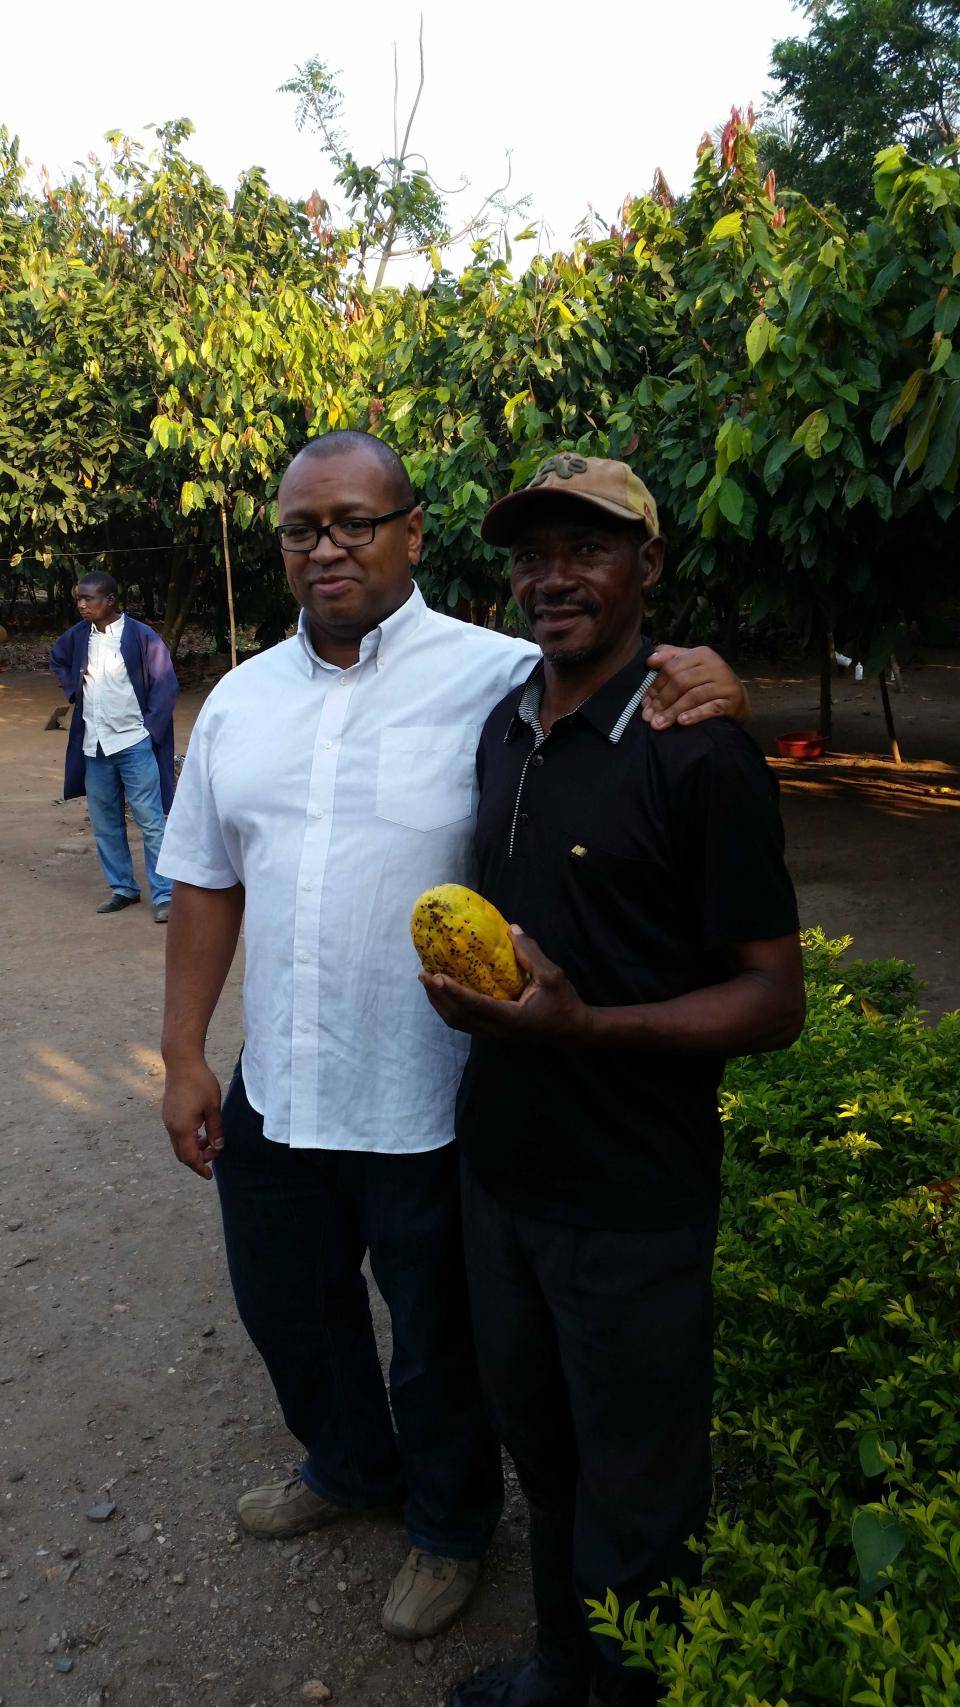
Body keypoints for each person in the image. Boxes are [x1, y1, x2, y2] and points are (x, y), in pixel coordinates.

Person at [157, 431, 749, 1643]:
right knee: (290, 1308)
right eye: (302, 528)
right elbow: (208, 880)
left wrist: (709, 674)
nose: (327, 547)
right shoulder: (241, 703)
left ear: (410, 534)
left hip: (428, 1090)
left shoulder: (496, 672)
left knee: (438, 1339)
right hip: (281, 1081)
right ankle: (344, 1467)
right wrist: (182, 1054)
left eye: (355, 522)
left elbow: (628, 681)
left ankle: (448, 1523)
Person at [420, 454, 805, 1706]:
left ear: (648, 565)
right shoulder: (505, 725)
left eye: (588, 548)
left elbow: (773, 997)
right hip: (506, 1178)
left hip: (635, 1200)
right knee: (544, 1453)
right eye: (533, 551)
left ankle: (633, 1691)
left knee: (642, 1492)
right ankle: (561, 1669)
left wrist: (588, 1029)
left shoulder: (702, 756)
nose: (553, 575)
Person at [49, 572, 178, 923]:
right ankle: (123, 888)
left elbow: (166, 685)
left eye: (89, 599)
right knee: (105, 823)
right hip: (95, 746)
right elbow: (57, 659)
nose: (82, 604)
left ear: (110, 601)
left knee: (150, 821)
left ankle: (165, 894)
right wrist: (73, 690)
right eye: (79, 598)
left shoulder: (141, 636)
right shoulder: (78, 637)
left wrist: (149, 731)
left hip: (133, 743)